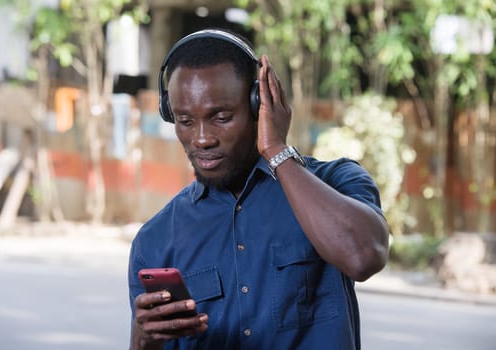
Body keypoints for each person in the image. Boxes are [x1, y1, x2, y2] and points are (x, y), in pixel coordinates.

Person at [128, 29, 389, 350]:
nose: (201, 138)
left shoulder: (335, 181)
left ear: (259, 105)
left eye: (221, 117)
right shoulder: (154, 241)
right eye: (184, 121)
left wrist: (276, 149)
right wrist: (144, 340)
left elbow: (363, 258)